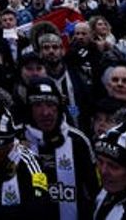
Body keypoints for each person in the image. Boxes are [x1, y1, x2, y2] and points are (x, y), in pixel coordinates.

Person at [22, 77, 97, 220]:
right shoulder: (15, 140)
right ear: (29, 108)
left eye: (51, 104)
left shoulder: (78, 141)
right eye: (38, 105)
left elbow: (95, 191)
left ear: (59, 107)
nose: (46, 112)